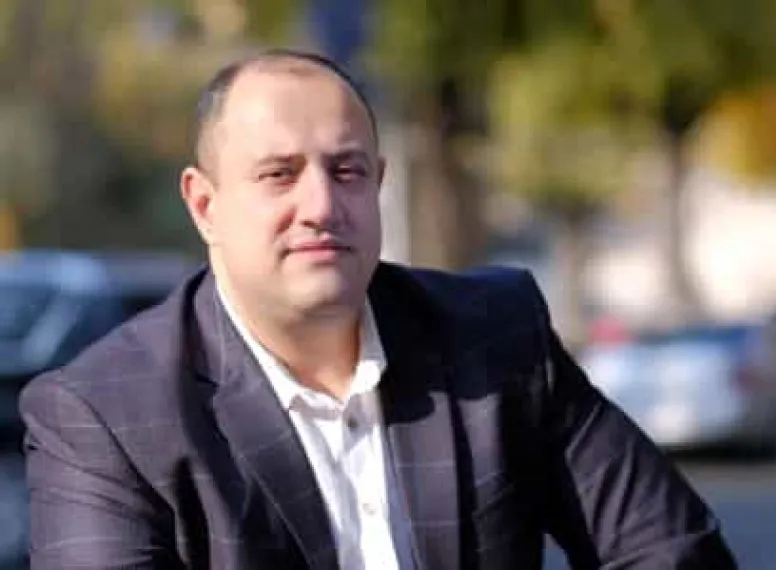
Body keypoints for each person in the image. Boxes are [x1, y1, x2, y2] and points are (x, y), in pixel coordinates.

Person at [19, 49, 737, 570]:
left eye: (347, 171)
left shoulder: (496, 339)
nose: (321, 205)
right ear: (205, 205)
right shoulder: (103, 416)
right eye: (279, 175)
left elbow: (672, 551)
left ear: (378, 185)